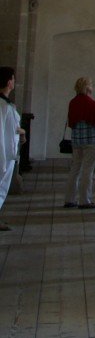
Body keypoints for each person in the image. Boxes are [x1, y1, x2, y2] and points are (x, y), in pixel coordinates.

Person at [64, 76, 95, 208]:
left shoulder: (73, 102)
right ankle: (85, 200)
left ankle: (69, 199)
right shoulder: (91, 103)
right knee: (88, 170)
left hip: (76, 141)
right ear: (87, 88)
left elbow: (71, 122)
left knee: (74, 169)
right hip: (91, 140)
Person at [0, 66, 24, 230]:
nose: (14, 82)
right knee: (1, 186)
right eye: (13, 79)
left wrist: (21, 132)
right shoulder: (2, 105)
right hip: (4, 152)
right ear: (9, 82)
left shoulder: (6, 104)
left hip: (8, 151)